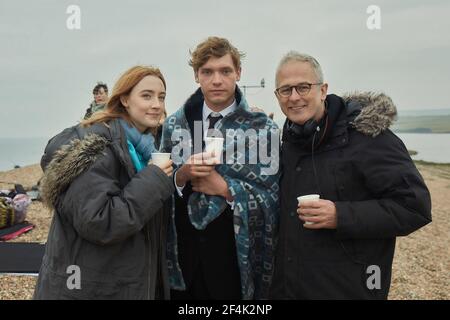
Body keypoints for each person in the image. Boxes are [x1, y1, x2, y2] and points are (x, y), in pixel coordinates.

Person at [270, 51, 432, 299]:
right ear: (277, 96)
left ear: (323, 90)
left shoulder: (368, 137)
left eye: (303, 87)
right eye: (285, 90)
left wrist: (340, 215)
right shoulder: (288, 142)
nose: (294, 97)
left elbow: (414, 207)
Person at [34, 66, 174, 300]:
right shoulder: (96, 145)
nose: (157, 105)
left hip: (123, 283)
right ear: (125, 100)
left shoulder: (148, 147)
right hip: (87, 289)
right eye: (146, 95)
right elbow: (99, 221)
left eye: (161, 97)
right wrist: (155, 178)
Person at [160, 37, 280, 300]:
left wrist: (228, 190)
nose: (217, 80)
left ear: (238, 73)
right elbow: (158, 188)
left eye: (225, 71)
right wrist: (182, 176)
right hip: (184, 263)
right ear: (196, 76)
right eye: (207, 72)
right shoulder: (174, 125)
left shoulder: (263, 129)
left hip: (235, 264)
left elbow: (273, 200)